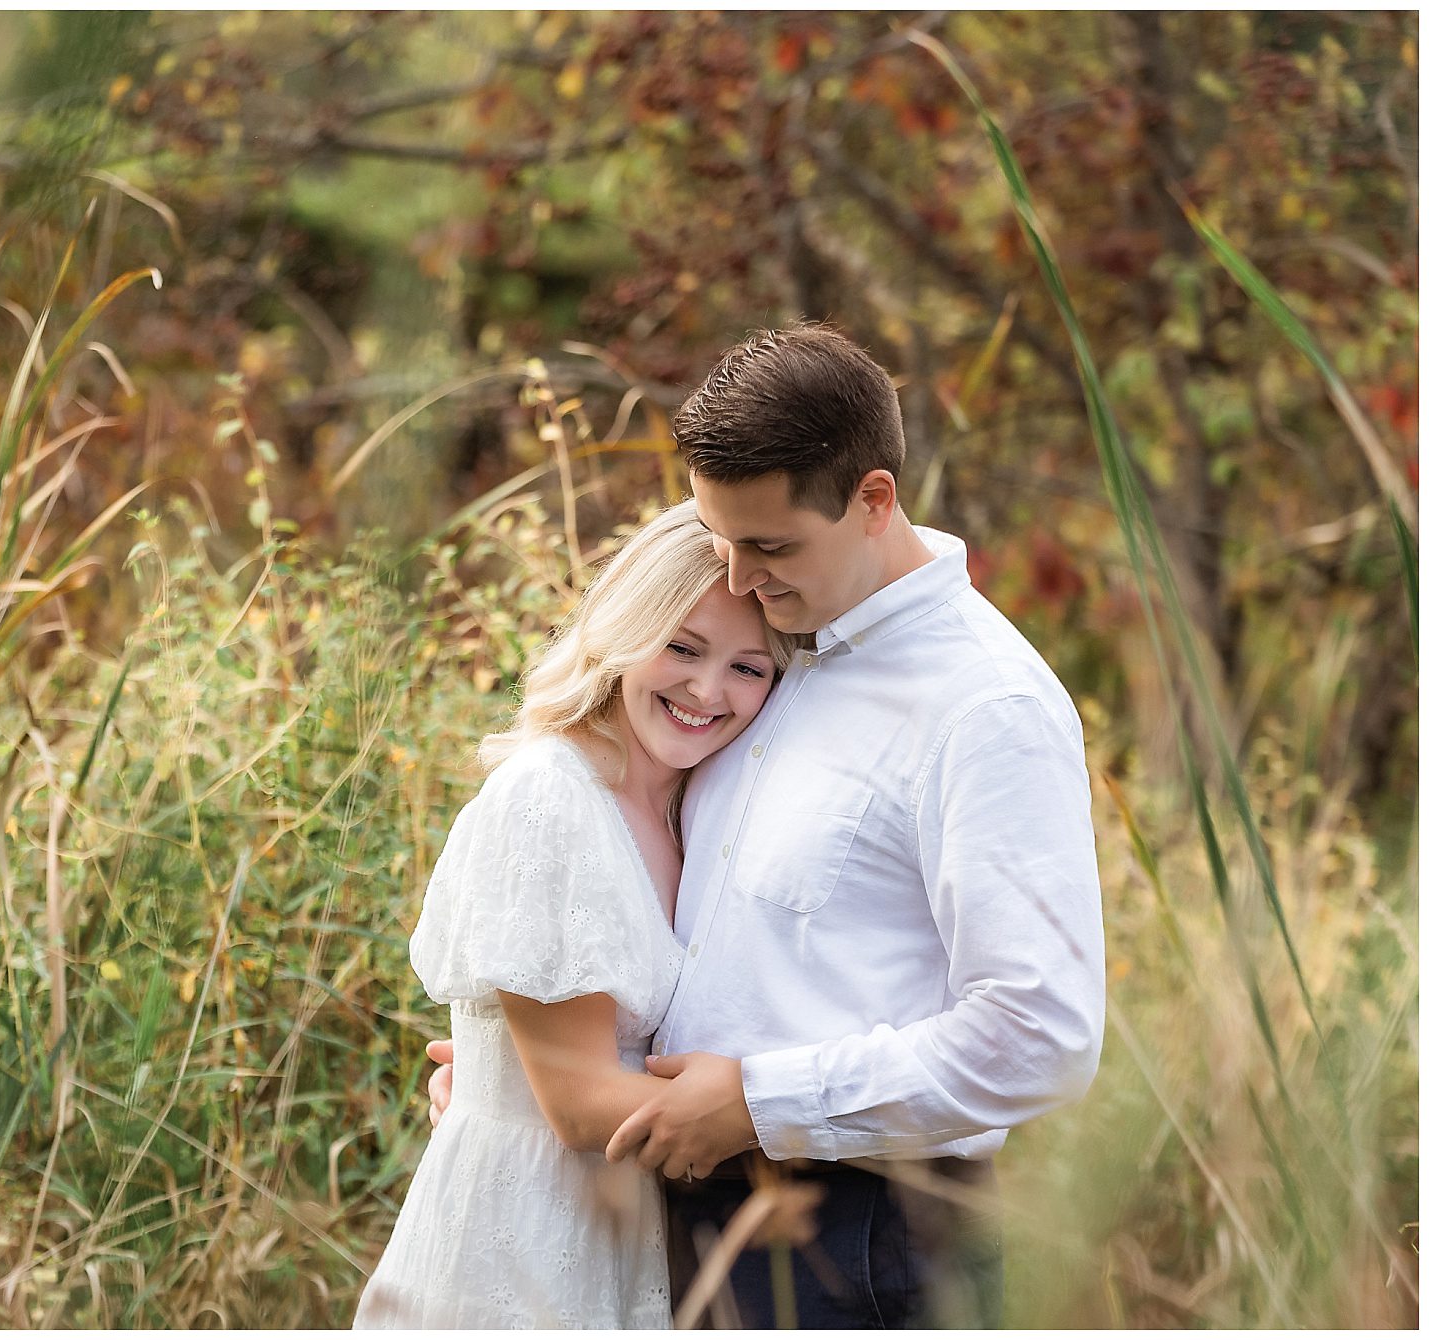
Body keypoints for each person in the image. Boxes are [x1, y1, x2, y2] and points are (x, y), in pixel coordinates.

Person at [426, 324, 1106, 1328]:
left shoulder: (982, 705)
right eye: (720, 543)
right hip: (678, 1214)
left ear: (872, 501)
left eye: (770, 545)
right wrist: (521, 1090)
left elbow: (1040, 1034)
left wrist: (756, 1102)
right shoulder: (773, 649)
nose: (740, 579)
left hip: (860, 1237)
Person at [354, 500, 803, 1329]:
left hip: (620, 1227)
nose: (709, 691)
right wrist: (813, 1113)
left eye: (750, 667)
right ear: (624, 634)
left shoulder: (692, 810)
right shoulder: (548, 798)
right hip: (519, 1233)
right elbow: (574, 1104)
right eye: (682, 648)